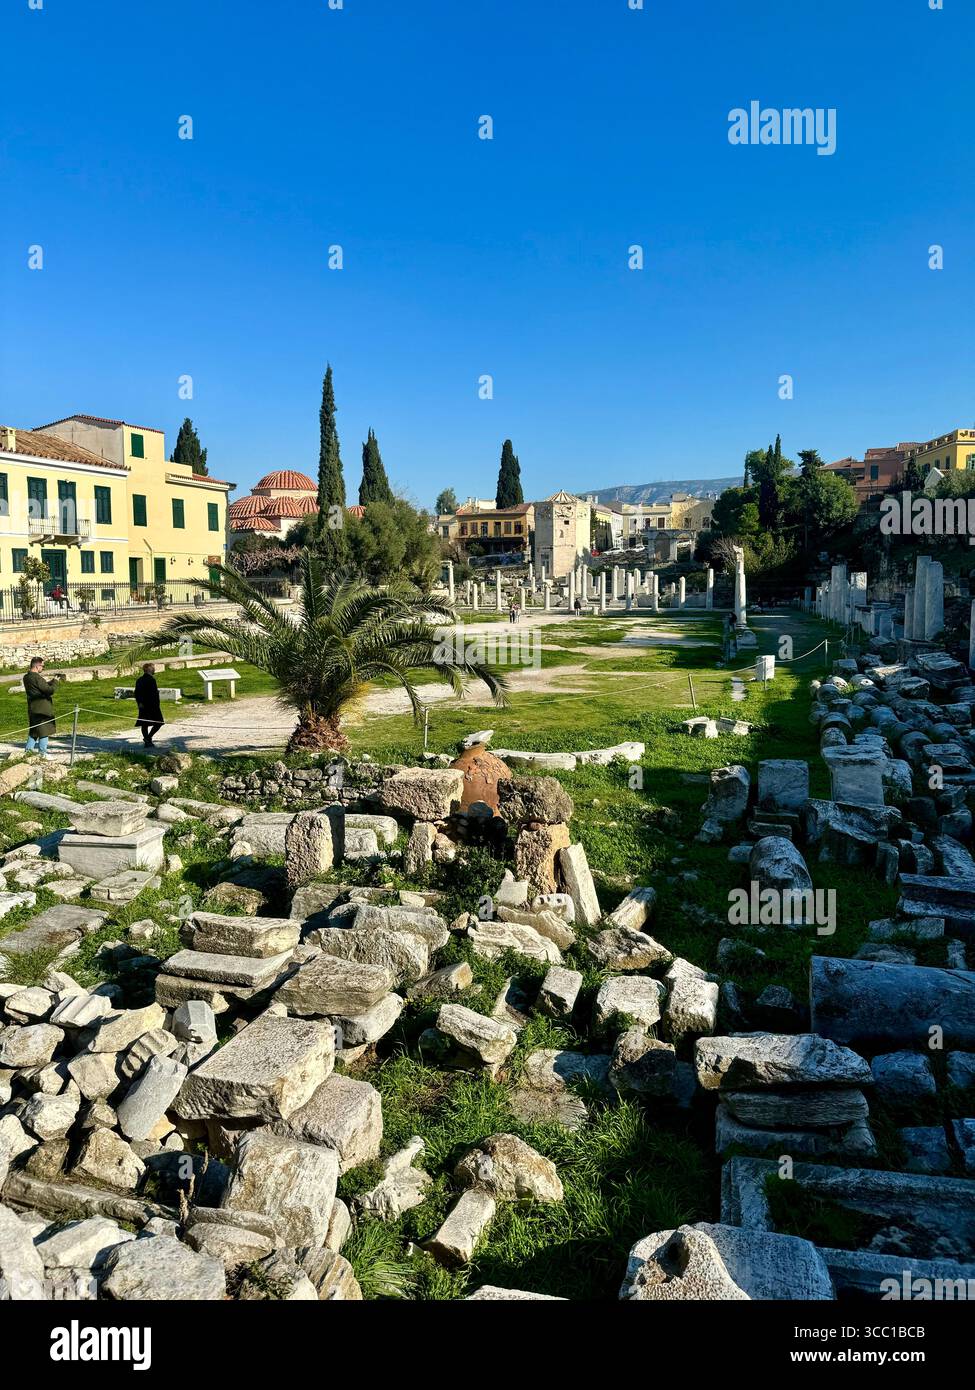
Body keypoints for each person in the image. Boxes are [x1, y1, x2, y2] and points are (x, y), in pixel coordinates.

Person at [23, 657, 63, 758]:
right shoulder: (37, 677)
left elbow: (41, 687)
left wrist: (51, 681)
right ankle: (42, 753)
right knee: (44, 730)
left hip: (33, 707)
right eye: (43, 666)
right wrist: (55, 682)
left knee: (34, 731)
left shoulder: (26, 677)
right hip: (42, 708)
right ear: (37, 666)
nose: (43, 668)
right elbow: (49, 690)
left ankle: (28, 752)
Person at [134, 662, 164, 748]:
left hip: (143, 705)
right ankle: (148, 738)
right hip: (151, 705)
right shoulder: (151, 680)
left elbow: (137, 693)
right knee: (158, 722)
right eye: (153, 668)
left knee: (144, 724)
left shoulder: (139, 680)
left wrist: (139, 703)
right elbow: (151, 694)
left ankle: (147, 738)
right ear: (149, 669)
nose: (154, 669)